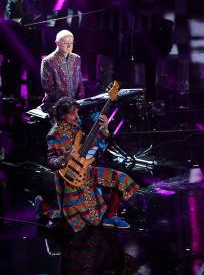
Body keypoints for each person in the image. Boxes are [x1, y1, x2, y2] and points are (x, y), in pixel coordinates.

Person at [45, 97, 139, 232]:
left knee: (121, 179)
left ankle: (110, 216)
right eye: (73, 114)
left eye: (77, 113)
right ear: (62, 115)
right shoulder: (54, 135)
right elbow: (51, 161)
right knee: (76, 221)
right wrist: (63, 159)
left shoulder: (76, 125)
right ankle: (43, 207)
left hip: (86, 169)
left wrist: (104, 128)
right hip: (69, 178)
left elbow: (92, 146)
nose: (76, 117)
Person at [40, 30, 85, 111]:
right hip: (56, 104)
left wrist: (80, 98)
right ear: (57, 43)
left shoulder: (76, 58)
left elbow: (80, 82)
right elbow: (49, 88)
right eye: (65, 43)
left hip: (75, 103)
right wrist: (67, 103)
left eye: (71, 43)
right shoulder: (48, 61)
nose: (69, 46)